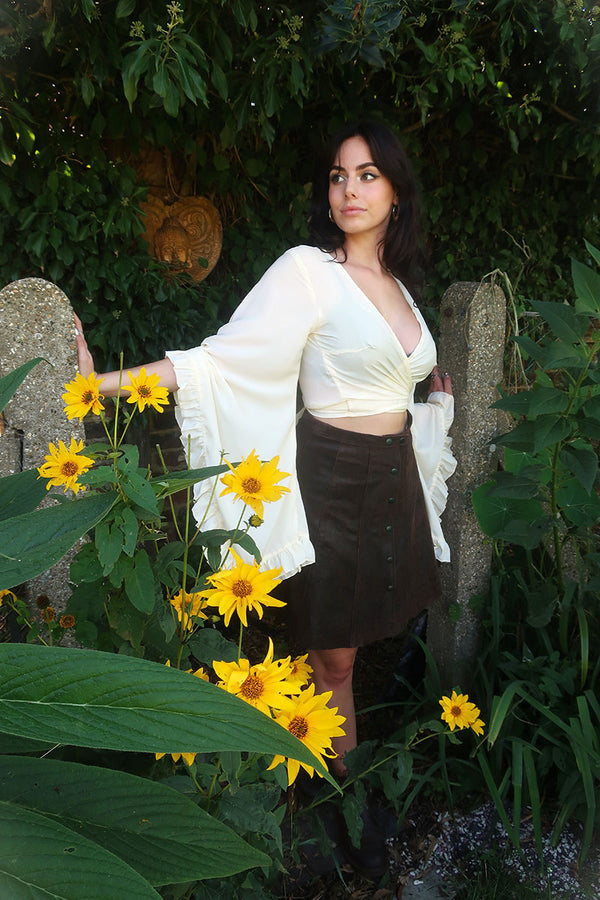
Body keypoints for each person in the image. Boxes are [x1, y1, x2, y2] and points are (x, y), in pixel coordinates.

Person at [75, 119, 455, 874]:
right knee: (335, 658)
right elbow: (221, 366)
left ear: (398, 194)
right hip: (334, 479)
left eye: (368, 175)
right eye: (340, 176)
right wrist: (98, 386)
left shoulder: (401, 288)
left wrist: (433, 401)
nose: (349, 189)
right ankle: (332, 805)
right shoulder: (310, 271)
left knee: (364, 639)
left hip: (389, 483)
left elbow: (398, 378)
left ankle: (333, 781)